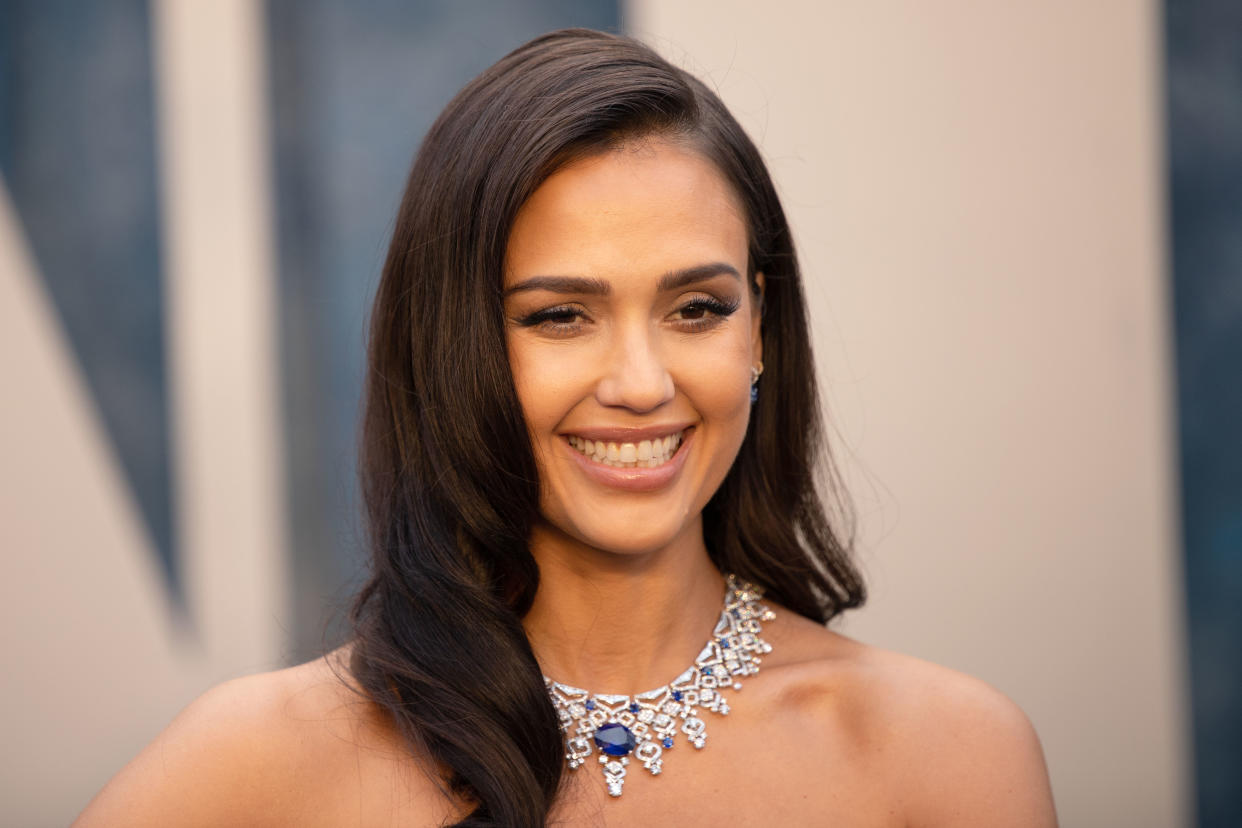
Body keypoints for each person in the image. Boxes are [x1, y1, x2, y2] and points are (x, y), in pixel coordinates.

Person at [75, 28, 1057, 827]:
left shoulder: (951, 754)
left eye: (697, 310)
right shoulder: (263, 763)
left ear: (761, 327)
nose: (640, 383)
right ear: (456, 347)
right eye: (559, 317)